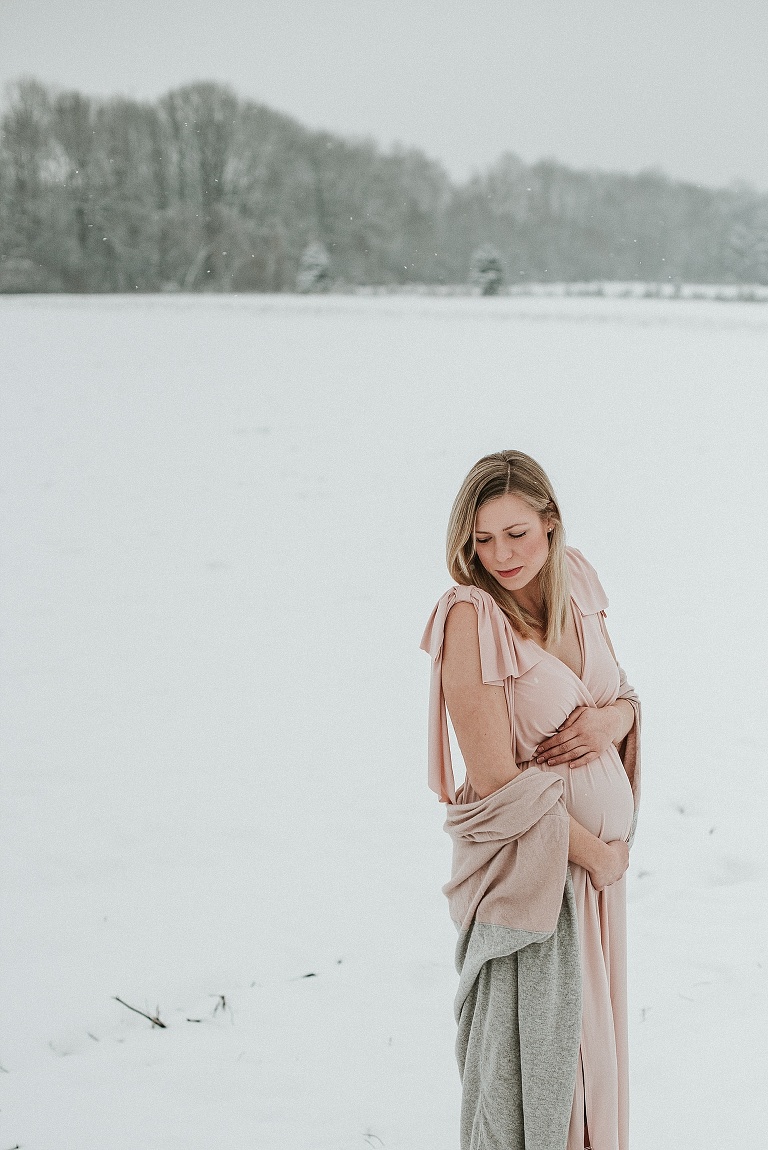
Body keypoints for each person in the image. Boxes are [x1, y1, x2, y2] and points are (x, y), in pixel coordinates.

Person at [421, 450, 640, 1150]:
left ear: (550, 524)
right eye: (482, 540)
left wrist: (611, 722)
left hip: (596, 883)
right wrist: (598, 855)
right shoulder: (470, 616)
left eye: (516, 533)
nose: (500, 555)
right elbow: (495, 782)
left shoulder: (575, 578)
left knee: (593, 1074)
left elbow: (621, 698)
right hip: (540, 883)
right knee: (545, 1083)